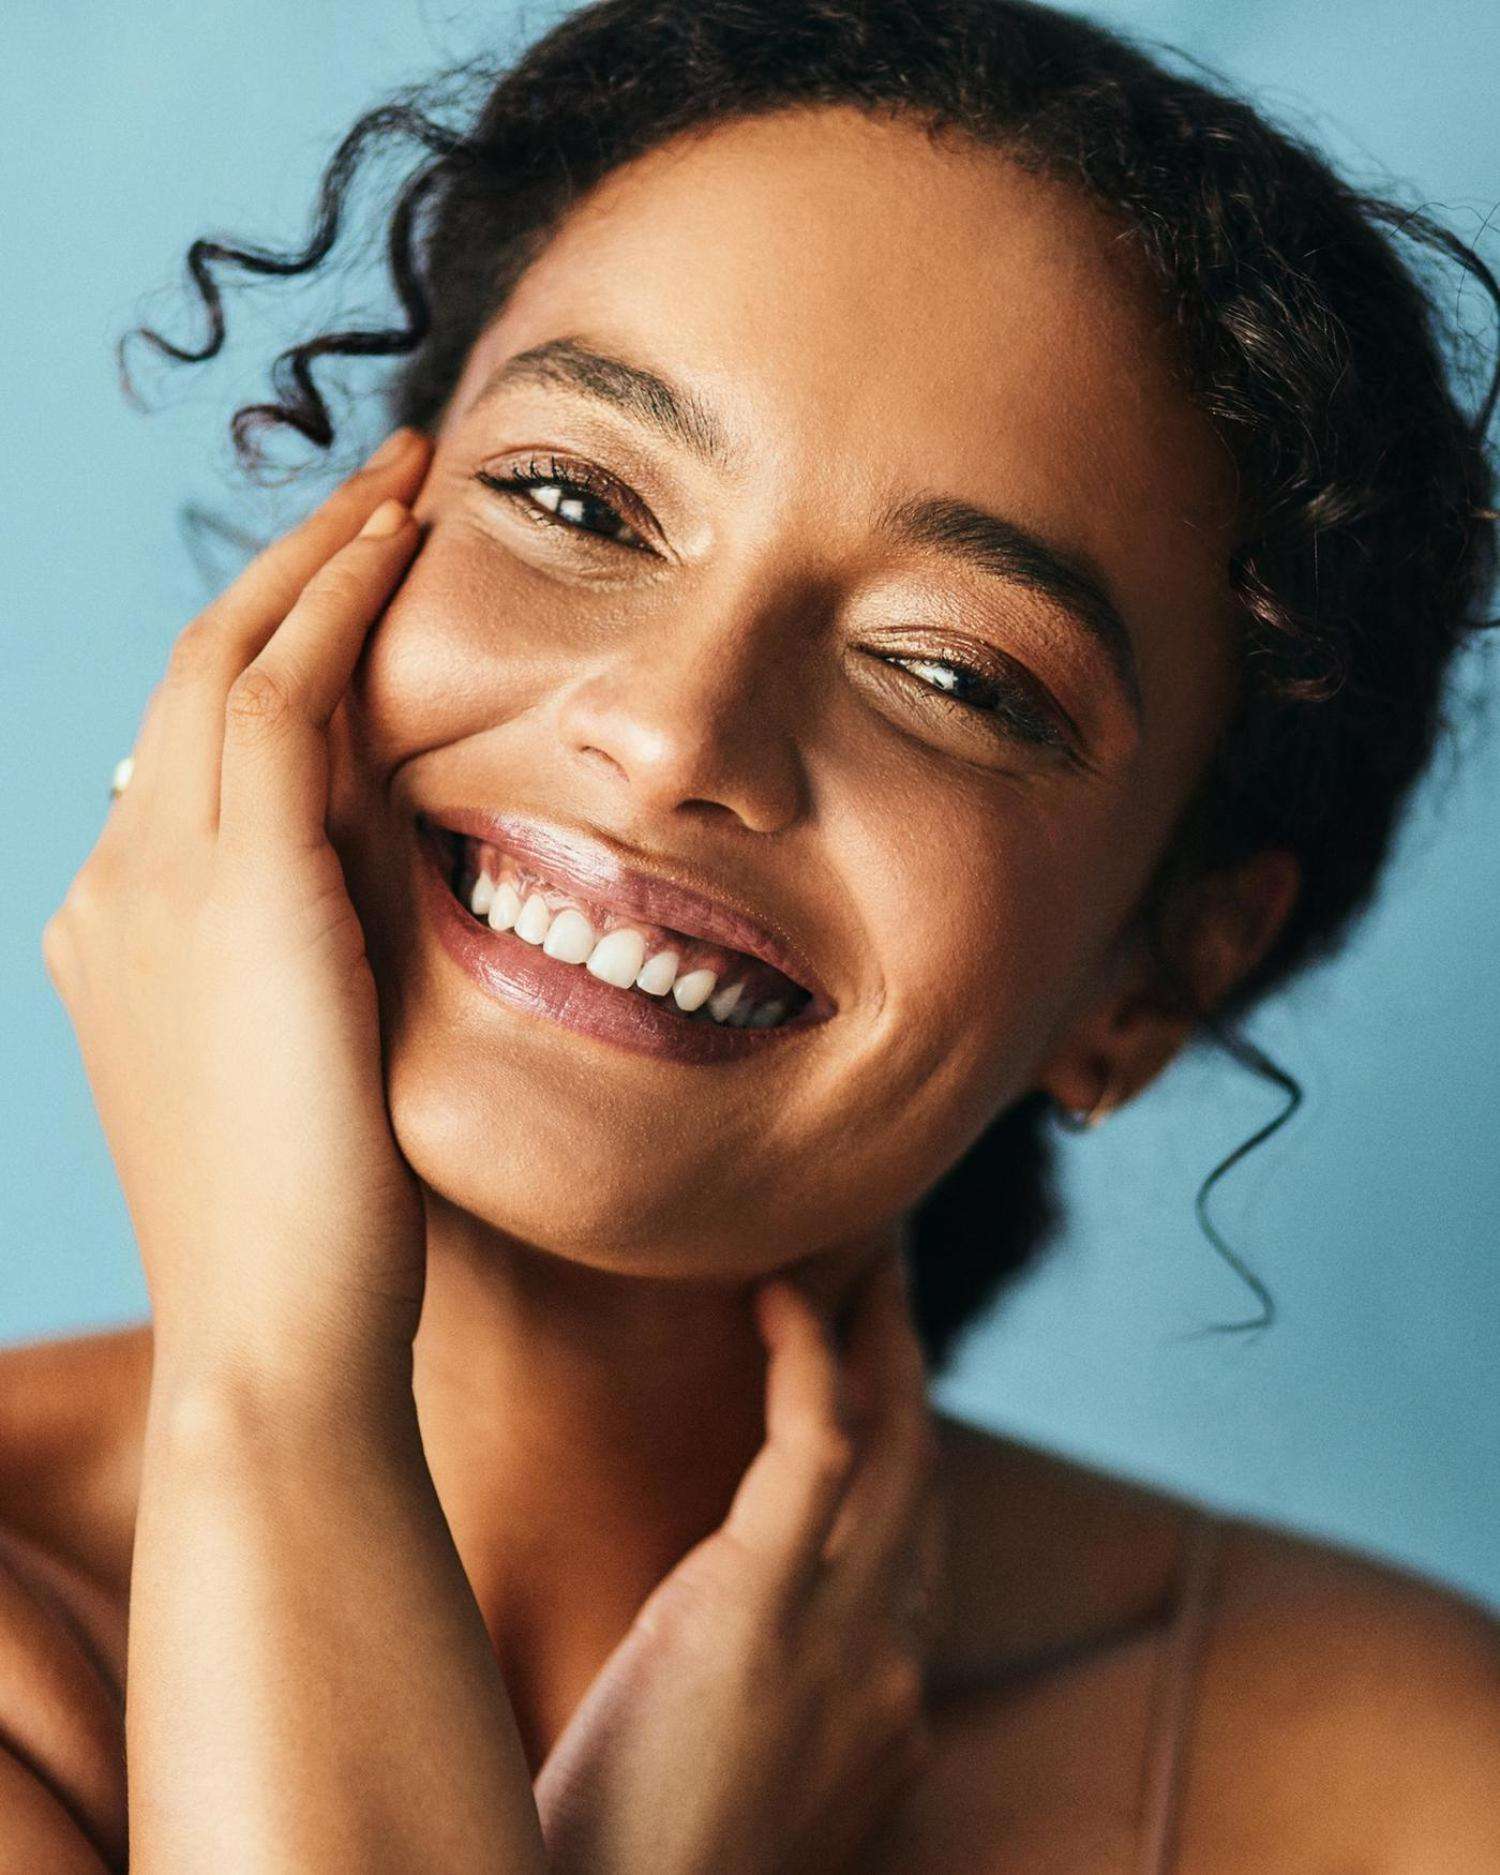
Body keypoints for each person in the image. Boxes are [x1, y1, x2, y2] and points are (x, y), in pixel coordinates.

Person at [10, 0, 1500, 1867]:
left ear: (1160, 975)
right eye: (573, 501)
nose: (675, 731)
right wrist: (278, 1384)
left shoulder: (1407, 1792)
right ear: (332, 577)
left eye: (951, 673)